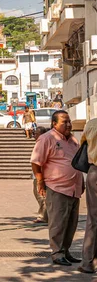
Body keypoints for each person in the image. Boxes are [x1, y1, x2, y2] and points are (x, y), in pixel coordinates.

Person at [31, 110, 83, 267]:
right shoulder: (46, 138)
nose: (68, 124)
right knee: (58, 223)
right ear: (54, 124)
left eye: (69, 121)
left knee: (71, 223)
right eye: (64, 122)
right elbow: (36, 161)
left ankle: (65, 251)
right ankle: (57, 253)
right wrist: (40, 182)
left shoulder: (73, 140)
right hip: (57, 187)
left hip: (74, 188)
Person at [79, 117, 97, 274]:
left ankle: (88, 263)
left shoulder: (91, 124)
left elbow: (82, 144)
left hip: (95, 172)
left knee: (93, 218)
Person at [32, 126, 48, 224]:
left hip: (41, 176)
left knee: (42, 196)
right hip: (37, 175)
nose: (34, 135)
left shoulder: (43, 144)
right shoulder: (39, 144)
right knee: (39, 195)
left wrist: (40, 179)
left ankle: (43, 216)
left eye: (36, 133)